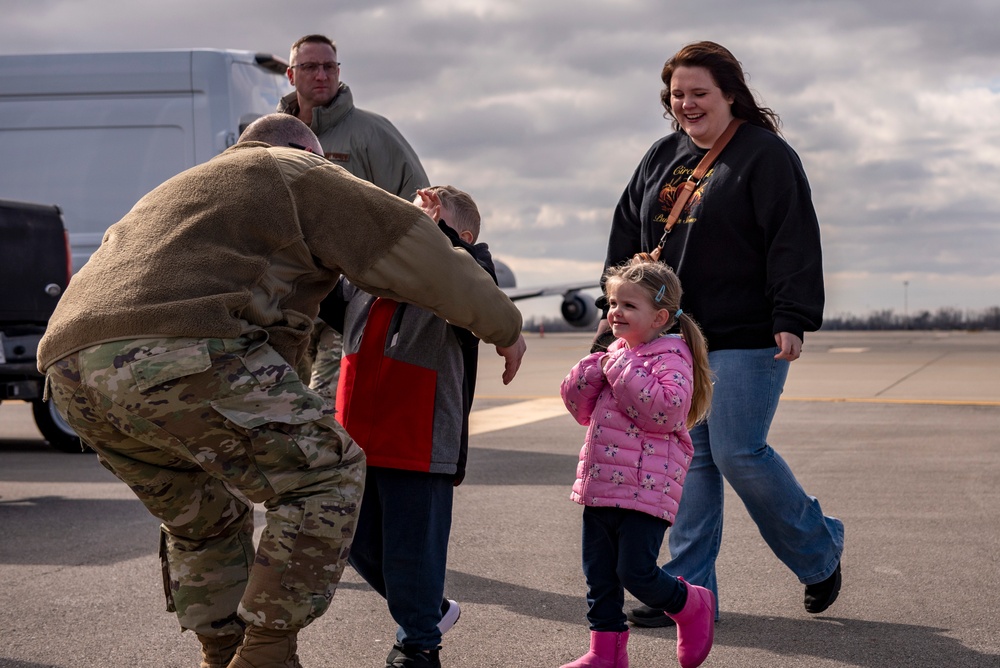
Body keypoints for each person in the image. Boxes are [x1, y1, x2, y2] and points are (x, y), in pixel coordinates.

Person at [37, 113, 526, 668]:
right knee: (327, 474)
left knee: (204, 516)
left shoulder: (181, 190)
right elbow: (418, 250)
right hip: (176, 351)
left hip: (71, 370)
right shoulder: (295, 170)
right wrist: (505, 328)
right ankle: (265, 657)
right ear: (306, 153)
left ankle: (222, 653)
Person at [597, 41, 844, 630]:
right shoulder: (661, 157)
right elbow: (624, 241)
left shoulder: (765, 156)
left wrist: (792, 315)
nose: (686, 104)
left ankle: (819, 551)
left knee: (737, 452)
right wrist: (613, 322)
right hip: (673, 337)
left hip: (746, 334)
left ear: (730, 93)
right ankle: (687, 592)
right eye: (677, 94)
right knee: (690, 463)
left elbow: (793, 236)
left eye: (698, 93)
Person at [322, 185, 492, 668]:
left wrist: (438, 234)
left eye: (424, 220)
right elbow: (321, 289)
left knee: (411, 552)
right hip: (356, 439)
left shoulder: (463, 282)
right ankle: (430, 610)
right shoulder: (369, 283)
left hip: (419, 441)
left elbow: (478, 276)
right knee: (354, 543)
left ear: (458, 236)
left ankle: (418, 643)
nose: (408, 227)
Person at [560, 257, 716, 668]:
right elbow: (580, 409)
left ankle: (690, 603)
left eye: (629, 306)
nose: (615, 312)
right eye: (612, 303)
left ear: (659, 317)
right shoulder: (614, 354)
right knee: (599, 576)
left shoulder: (671, 355)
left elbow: (665, 411)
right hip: (601, 485)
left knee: (635, 572)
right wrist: (586, 373)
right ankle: (604, 652)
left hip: (645, 491)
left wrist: (620, 365)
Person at [279, 33, 430, 407]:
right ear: (290, 75)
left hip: (349, 298)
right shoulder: (273, 137)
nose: (321, 75)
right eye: (310, 67)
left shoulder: (373, 134)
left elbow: (419, 205)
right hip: (285, 300)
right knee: (282, 406)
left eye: (329, 67)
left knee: (328, 406)